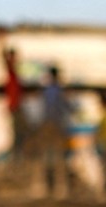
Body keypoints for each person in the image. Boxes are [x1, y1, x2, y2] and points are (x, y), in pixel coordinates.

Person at [37, 65, 72, 198]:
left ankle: (43, 185)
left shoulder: (46, 91)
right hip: (56, 126)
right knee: (59, 156)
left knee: (45, 156)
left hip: (46, 125)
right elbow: (66, 107)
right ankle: (60, 186)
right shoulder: (59, 90)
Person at [2, 47, 25, 159]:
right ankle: (16, 155)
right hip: (14, 107)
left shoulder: (13, 73)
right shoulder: (10, 73)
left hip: (15, 106)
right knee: (17, 133)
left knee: (19, 132)